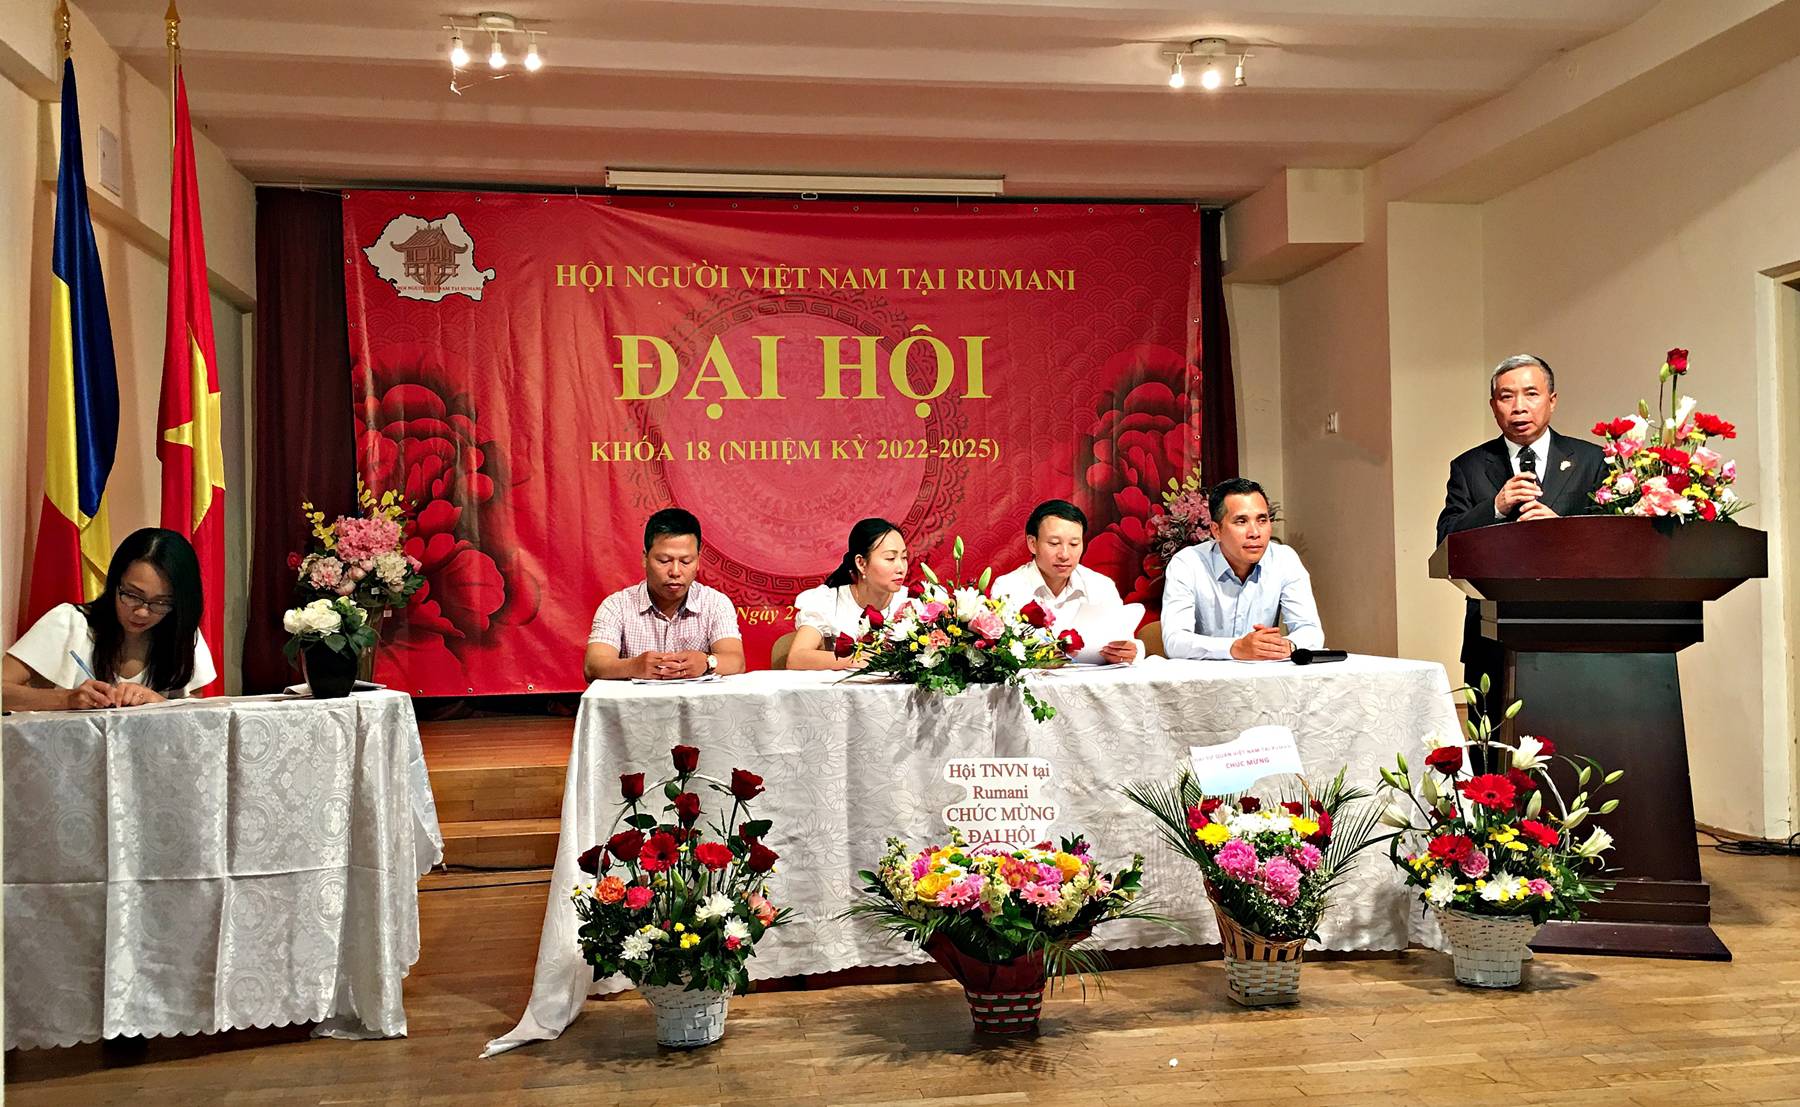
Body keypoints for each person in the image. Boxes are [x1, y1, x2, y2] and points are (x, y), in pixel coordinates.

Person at [1435, 354, 1605, 693]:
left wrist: (1563, 530)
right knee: (1494, 726)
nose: (1519, 407)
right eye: (1506, 396)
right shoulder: (1469, 467)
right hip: (1491, 634)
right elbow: (1445, 541)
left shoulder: (1592, 460)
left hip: (1576, 628)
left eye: (1531, 394)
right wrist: (1495, 507)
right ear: (1493, 406)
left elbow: (1614, 539)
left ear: (1552, 401)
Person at [4, 527, 215, 710]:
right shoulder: (69, 623)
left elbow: (195, 717)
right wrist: (66, 699)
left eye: (161, 602)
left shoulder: (182, 634)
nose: (142, 612)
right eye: (132, 595)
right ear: (115, 582)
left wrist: (158, 702)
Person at [1161, 478, 1324, 661]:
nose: (1254, 533)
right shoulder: (1188, 563)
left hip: (1264, 674)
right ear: (1216, 530)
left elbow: (1311, 630)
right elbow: (1175, 642)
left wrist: (1288, 646)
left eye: (1262, 520)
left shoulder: (1284, 559)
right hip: (1206, 676)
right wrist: (1234, 648)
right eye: (1241, 521)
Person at [584, 508, 745, 681]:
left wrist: (707, 662)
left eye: (686, 561)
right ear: (645, 558)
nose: (675, 571)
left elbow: (736, 662)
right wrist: (633, 666)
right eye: (664, 561)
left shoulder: (715, 603)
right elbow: (593, 666)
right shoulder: (617, 606)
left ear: (698, 561)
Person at [991, 499, 1139, 663]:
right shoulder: (1008, 588)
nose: (1064, 555)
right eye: (1054, 543)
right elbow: (999, 655)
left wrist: (1129, 652)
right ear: (1032, 544)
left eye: (1074, 544)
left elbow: (1125, 641)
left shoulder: (1101, 586)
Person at [787, 518, 910, 671]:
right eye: (890, 558)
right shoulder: (829, 601)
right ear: (861, 563)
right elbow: (796, 658)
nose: (901, 568)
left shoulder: (913, 603)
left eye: (904, 557)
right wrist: (859, 659)